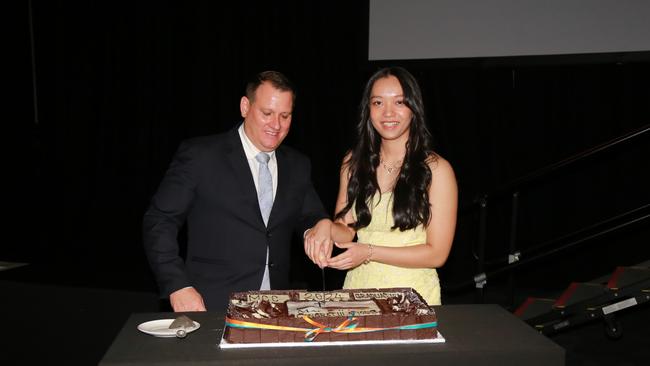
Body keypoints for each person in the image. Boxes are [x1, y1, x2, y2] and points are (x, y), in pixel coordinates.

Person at [143, 70, 330, 312]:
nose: (276, 125)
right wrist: (177, 286)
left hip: (277, 310)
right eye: (267, 113)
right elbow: (159, 221)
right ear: (245, 106)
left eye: (285, 116)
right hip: (209, 306)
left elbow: (310, 217)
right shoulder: (201, 156)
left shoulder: (297, 165)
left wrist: (322, 223)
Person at [304, 67, 457, 305]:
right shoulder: (353, 162)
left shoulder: (437, 170)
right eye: (377, 103)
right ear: (368, 109)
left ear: (413, 108)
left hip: (412, 298)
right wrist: (325, 226)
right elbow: (345, 229)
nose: (387, 113)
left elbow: (437, 254)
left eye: (399, 102)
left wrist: (369, 252)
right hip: (358, 293)